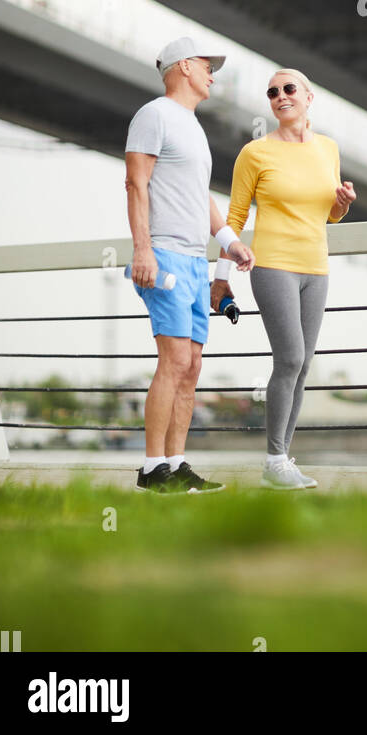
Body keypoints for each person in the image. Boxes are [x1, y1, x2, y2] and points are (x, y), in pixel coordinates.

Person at [125, 36, 255, 493]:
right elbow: (136, 184)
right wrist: (143, 250)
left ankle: (177, 463)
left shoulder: (193, 128)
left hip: (196, 261)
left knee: (193, 364)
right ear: (183, 68)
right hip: (163, 254)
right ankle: (151, 468)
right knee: (175, 358)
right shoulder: (153, 115)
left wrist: (229, 241)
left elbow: (200, 198)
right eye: (206, 66)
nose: (212, 74)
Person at [214, 68, 355, 490]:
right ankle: (274, 460)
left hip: (317, 268)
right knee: (290, 358)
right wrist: (221, 279)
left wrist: (343, 203)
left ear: (309, 97)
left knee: (304, 365)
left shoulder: (328, 149)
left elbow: (329, 213)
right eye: (273, 92)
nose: (280, 96)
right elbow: (235, 218)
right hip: (272, 265)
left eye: (289, 88)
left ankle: (283, 459)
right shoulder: (255, 153)